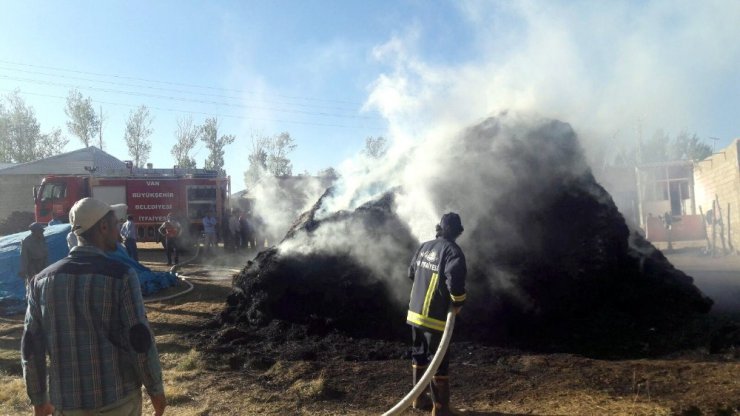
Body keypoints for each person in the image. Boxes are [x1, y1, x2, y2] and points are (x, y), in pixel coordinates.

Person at [21, 197, 166, 416]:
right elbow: (139, 339)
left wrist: (39, 398)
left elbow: (31, 346)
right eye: (115, 224)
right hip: (118, 401)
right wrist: (155, 390)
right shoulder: (122, 276)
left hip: (66, 404)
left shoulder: (40, 282)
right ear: (103, 227)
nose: (119, 230)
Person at [406, 212, 467, 415]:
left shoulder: (424, 246)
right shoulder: (453, 251)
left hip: (414, 314)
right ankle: (440, 409)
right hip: (434, 317)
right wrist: (458, 303)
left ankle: (417, 399)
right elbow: (455, 282)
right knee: (438, 361)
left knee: (419, 355)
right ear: (458, 231)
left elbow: (411, 273)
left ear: (439, 228)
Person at [19, 222, 49, 294]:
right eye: (40, 231)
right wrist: (24, 270)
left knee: (43, 284)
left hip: (43, 264)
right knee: (32, 285)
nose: (42, 232)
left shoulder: (42, 239)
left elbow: (45, 252)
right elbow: (24, 257)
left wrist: (47, 265)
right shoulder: (26, 241)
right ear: (34, 231)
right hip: (32, 267)